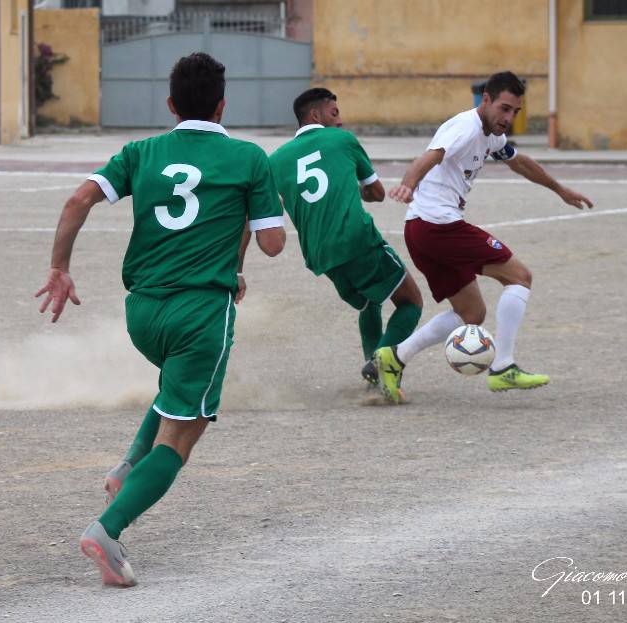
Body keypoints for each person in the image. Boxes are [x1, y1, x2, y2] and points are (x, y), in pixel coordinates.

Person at [35, 52, 286, 587]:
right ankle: (107, 528)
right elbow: (272, 244)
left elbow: (78, 200)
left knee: (175, 389)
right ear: (222, 105)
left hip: (143, 312)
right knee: (182, 437)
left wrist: (59, 268)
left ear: (171, 104)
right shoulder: (248, 158)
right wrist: (254, 213)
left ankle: (127, 468)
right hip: (200, 314)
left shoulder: (140, 152)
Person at [374, 71, 593, 401]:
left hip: (421, 229)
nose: (508, 118)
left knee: (471, 314)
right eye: (504, 108)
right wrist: (409, 183)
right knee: (520, 277)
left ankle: (393, 358)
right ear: (486, 100)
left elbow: (519, 163)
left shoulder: (491, 135)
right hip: (438, 227)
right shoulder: (465, 127)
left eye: (515, 112)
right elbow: (429, 157)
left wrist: (560, 189)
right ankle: (503, 367)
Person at [268, 88, 424, 398]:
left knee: (369, 301)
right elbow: (376, 193)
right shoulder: (343, 141)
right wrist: (356, 189)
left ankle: (375, 380)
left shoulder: (276, 160)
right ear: (315, 115)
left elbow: (271, 211)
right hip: (356, 238)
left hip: (319, 254)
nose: (340, 121)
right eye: (334, 114)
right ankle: (382, 362)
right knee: (411, 302)